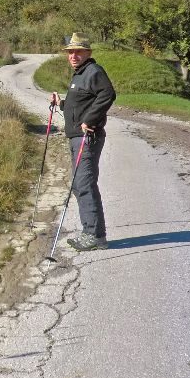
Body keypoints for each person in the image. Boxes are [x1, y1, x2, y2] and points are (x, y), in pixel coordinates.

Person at [55, 32, 116, 251]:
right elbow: (80, 105)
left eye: (78, 51)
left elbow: (108, 94)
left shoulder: (93, 71)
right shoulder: (79, 74)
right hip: (77, 137)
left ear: (88, 53)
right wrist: (61, 103)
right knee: (81, 184)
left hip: (87, 138)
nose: (73, 55)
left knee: (83, 183)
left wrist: (90, 120)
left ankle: (94, 235)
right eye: (71, 52)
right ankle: (91, 232)